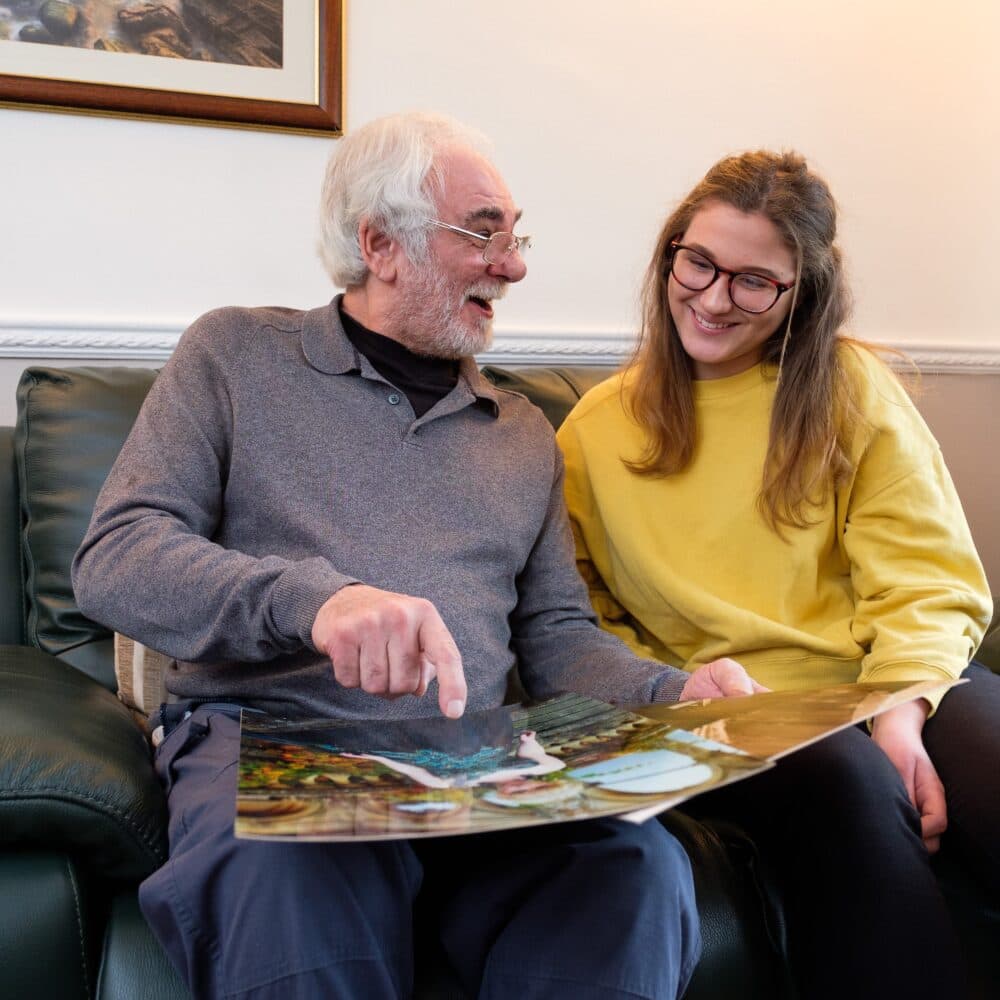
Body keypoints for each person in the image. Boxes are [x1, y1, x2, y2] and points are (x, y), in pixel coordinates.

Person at [72, 112, 759, 1000]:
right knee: (284, 888)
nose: (512, 267)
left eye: (515, 239)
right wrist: (315, 602)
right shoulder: (235, 356)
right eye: (483, 233)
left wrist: (674, 691)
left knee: (636, 872)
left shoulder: (520, 433)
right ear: (379, 242)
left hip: (481, 772)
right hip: (280, 753)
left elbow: (557, 639)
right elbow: (116, 557)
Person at [556, 149, 999, 999]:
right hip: (737, 718)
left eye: (755, 281)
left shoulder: (849, 388)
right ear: (670, 254)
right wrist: (681, 691)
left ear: (803, 293)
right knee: (850, 783)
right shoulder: (594, 431)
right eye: (699, 262)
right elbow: (576, 621)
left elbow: (929, 579)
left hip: (895, 681)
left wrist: (900, 714)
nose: (715, 298)